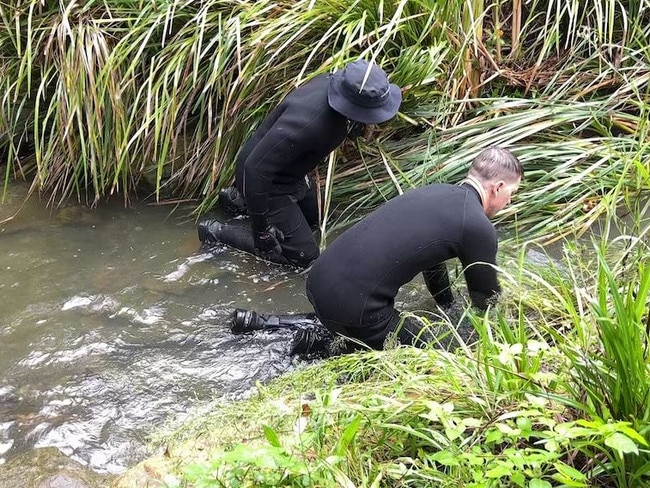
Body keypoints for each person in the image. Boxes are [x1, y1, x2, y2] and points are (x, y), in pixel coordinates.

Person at [229, 147, 524, 355]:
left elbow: (432, 260)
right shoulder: (477, 226)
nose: (509, 203)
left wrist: (446, 305)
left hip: (320, 280)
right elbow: (486, 299)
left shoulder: (436, 193)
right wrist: (500, 334)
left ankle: (262, 323)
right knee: (438, 352)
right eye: (511, 194)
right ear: (497, 187)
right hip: (353, 308)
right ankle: (315, 345)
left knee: (352, 316)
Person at [198, 59, 402, 268]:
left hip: (291, 174)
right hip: (267, 181)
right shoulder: (309, 124)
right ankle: (217, 231)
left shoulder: (333, 86)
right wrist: (261, 230)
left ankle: (237, 201)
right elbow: (254, 168)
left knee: (319, 217)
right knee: (304, 257)